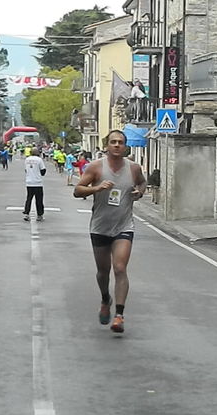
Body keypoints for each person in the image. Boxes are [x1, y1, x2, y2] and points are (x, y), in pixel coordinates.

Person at [74, 130, 147, 333]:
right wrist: (96, 189)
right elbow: (77, 190)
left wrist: (139, 192)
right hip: (99, 226)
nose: (117, 145)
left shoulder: (133, 168)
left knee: (120, 268)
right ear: (107, 145)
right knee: (103, 271)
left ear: (125, 146)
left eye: (120, 142)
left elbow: (142, 182)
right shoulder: (96, 167)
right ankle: (106, 298)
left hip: (124, 226)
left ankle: (119, 315)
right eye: (113, 142)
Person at [23, 148, 46, 222]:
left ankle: (26, 213)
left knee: (29, 198)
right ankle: (39, 215)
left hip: (29, 182)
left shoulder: (27, 160)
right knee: (39, 199)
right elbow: (43, 171)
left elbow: (26, 170)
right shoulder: (39, 160)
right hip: (37, 182)